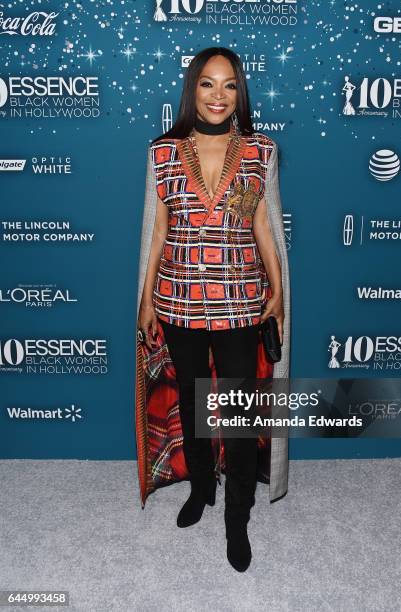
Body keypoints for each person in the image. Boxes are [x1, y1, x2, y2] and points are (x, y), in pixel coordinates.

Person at [135, 46, 291, 572]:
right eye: (207, 83)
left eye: (228, 85)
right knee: (194, 400)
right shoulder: (161, 152)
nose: (218, 95)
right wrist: (145, 299)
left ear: (239, 91)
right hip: (177, 299)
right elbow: (158, 232)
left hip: (240, 303)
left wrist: (277, 290)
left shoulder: (257, 152)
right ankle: (202, 488)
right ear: (192, 89)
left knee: (241, 414)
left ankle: (237, 519)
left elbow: (258, 226)